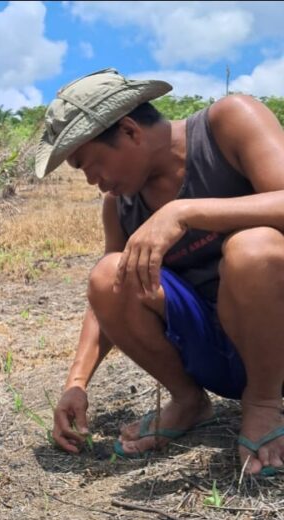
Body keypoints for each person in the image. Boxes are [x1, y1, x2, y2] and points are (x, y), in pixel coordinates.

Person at [36, 68, 284, 476]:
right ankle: (189, 402)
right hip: (220, 350)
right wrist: (76, 383)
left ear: (131, 131)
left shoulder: (228, 123)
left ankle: (263, 404)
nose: (95, 183)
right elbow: (106, 298)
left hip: (274, 336)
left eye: (90, 164)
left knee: (253, 249)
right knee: (107, 272)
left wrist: (186, 211)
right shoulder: (122, 205)